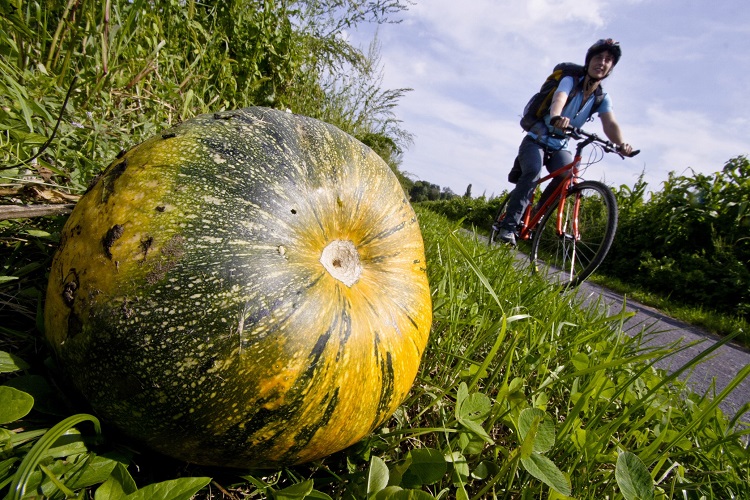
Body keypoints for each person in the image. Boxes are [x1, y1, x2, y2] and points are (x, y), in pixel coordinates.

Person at [494, 38, 633, 245]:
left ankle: (535, 217)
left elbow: (610, 123)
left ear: (611, 67)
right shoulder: (570, 80)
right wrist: (557, 116)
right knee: (532, 172)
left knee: (567, 177)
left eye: (608, 60)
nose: (602, 62)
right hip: (536, 139)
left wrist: (622, 144)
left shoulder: (602, 97)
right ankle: (508, 227)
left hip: (561, 144)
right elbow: (560, 97)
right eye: (598, 57)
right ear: (589, 61)